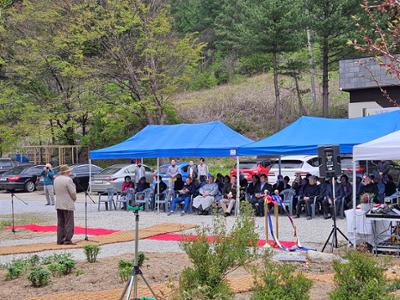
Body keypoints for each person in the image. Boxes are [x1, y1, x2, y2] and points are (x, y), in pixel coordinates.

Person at [54, 165, 77, 245]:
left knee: (60, 222)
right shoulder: (68, 180)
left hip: (59, 203)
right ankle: (67, 239)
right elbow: (73, 193)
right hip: (67, 203)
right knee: (69, 222)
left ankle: (60, 239)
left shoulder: (56, 179)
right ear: (67, 172)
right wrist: (74, 199)